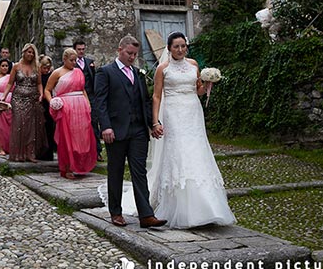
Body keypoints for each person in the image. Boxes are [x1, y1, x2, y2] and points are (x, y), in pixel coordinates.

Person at [147, 31, 235, 228]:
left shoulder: (194, 64)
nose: (180, 50)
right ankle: (180, 205)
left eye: (183, 46)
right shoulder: (162, 68)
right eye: (176, 46)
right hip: (173, 113)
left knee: (197, 152)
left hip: (193, 113)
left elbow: (198, 90)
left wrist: (208, 84)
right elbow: (157, 97)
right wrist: (156, 121)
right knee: (179, 153)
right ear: (169, 48)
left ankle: (208, 206)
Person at [94, 35, 166, 229]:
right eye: (129, 53)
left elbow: (145, 101)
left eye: (135, 54)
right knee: (115, 171)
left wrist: (153, 124)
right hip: (115, 130)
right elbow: (100, 102)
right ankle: (115, 212)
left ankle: (146, 215)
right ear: (120, 50)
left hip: (138, 130)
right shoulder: (105, 72)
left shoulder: (138, 73)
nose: (132, 57)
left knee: (139, 171)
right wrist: (105, 126)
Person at [44, 48, 97, 179]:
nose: (74, 63)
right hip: (66, 108)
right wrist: (52, 102)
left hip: (80, 107)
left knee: (82, 137)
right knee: (67, 137)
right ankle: (67, 167)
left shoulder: (78, 72)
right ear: (64, 59)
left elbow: (82, 89)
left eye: (75, 60)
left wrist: (88, 103)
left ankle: (80, 164)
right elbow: (47, 90)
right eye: (71, 60)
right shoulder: (57, 73)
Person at [4, 43, 48, 162]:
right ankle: (18, 153)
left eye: (32, 52)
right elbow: (10, 83)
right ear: (23, 52)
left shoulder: (36, 67)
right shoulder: (16, 67)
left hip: (33, 99)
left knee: (31, 127)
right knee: (19, 124)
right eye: (29, 52)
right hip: (18, 98)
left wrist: (41, 94)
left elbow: (39, 83)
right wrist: (4, 96)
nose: (30, 54)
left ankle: (30, 153)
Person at [73, 39, 103, 161]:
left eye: (83, 49)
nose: (81, 52)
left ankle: (97, 151)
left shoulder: (90, 63)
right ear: (74, 50)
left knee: (94, 122)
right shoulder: (71, 63)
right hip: (76, 97)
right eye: (79, 49)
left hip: (90, 96)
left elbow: (94, 79)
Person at [38, 55, 56, 160]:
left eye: (48, 68)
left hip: (48, 103)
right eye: (44, 68)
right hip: (39, 103)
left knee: (49, 128)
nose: (46, 70)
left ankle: (49, 152)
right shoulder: (38, 76)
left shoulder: (51, 76)